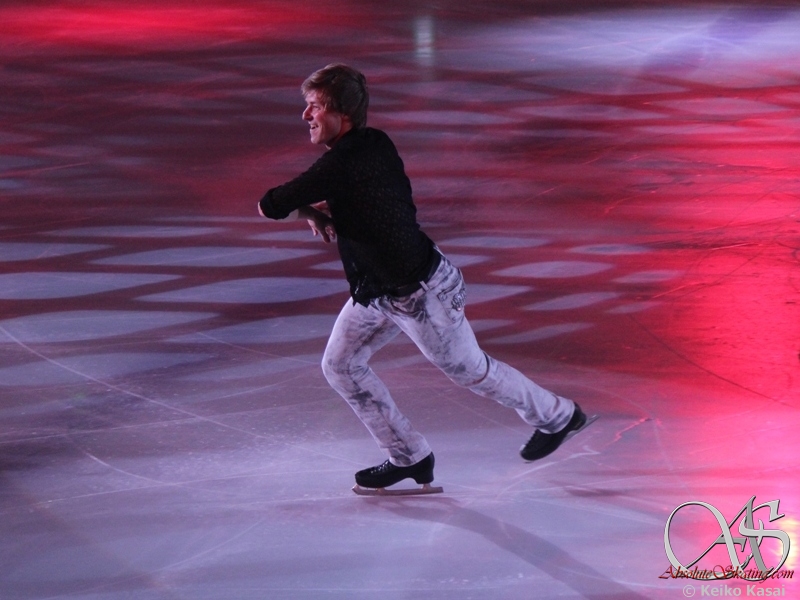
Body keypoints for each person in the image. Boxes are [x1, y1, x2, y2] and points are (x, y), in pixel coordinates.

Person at [258, 63, 589, 492]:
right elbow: (363, 195)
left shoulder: (340, 164)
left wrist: (308, 210)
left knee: (472, 371)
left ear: (343, 113)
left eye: (315, 106)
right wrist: (322, 209)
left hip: (423, 294)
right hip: (378, 292)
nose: (306, 115)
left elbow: (270, 205)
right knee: (340, 365)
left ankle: (560, 416)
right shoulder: (375, 144)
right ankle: (409, 455)